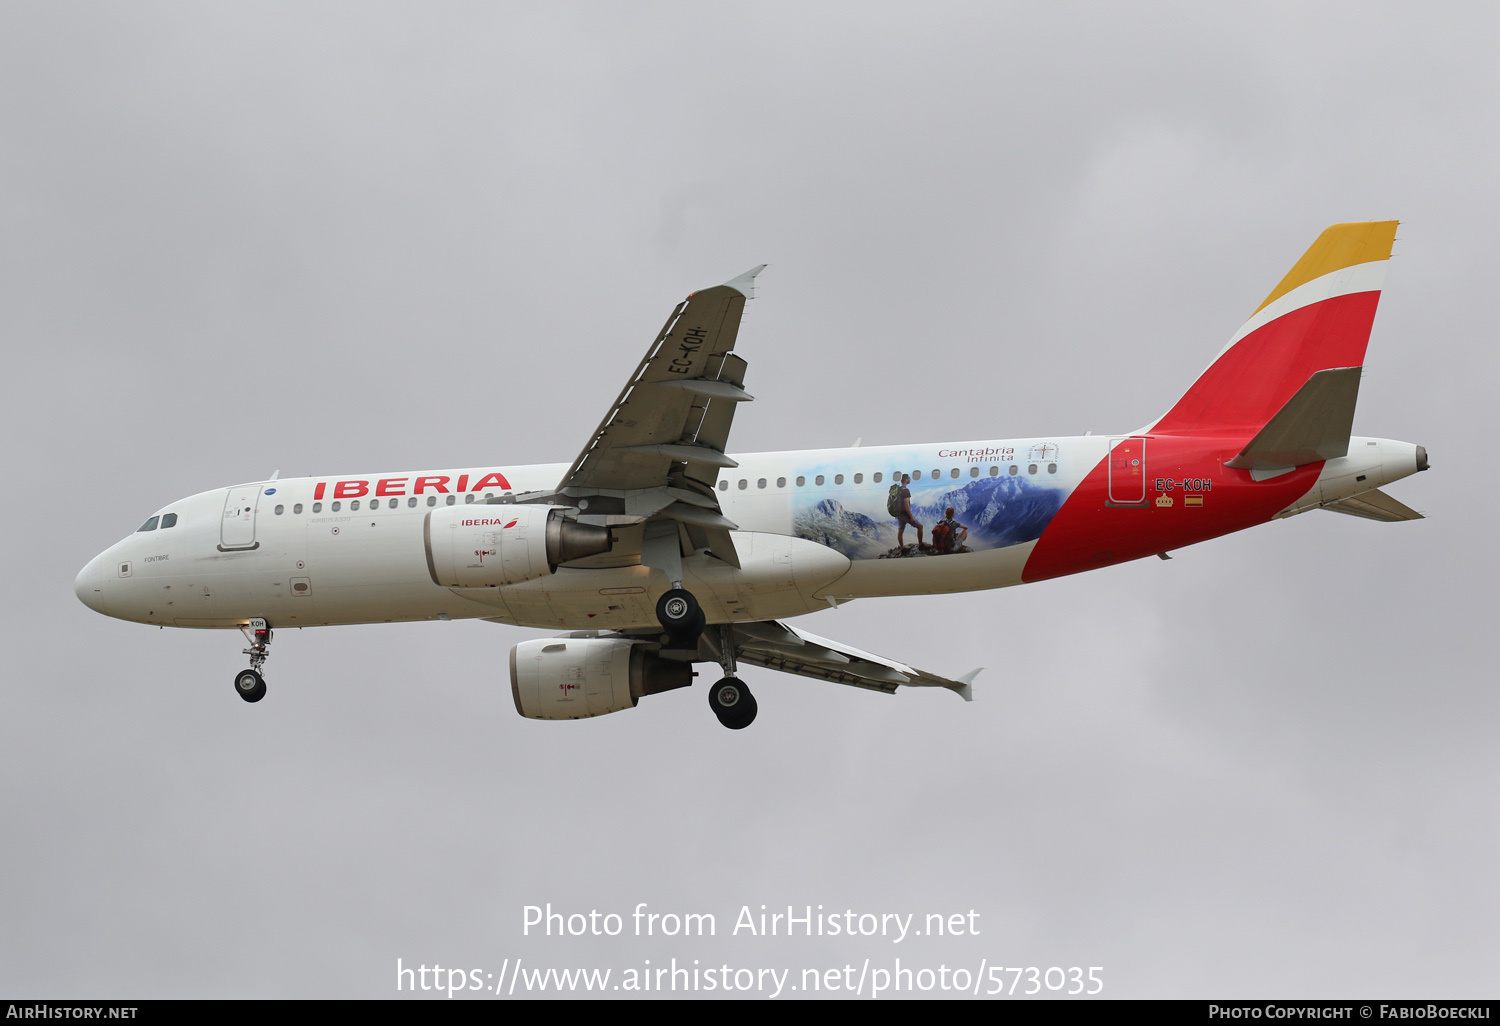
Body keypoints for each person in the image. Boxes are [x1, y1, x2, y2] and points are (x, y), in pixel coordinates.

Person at [894, 474, 923, 551]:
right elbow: (907, 505)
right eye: (909, 478)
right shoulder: (905, 490)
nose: (910, 479)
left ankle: (902, 548)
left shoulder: (897, 489)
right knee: (920, 526)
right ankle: (920, 545)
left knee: (900, 531)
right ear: (906, 480)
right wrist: (911, 517)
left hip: (899, 514)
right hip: (905, 514)